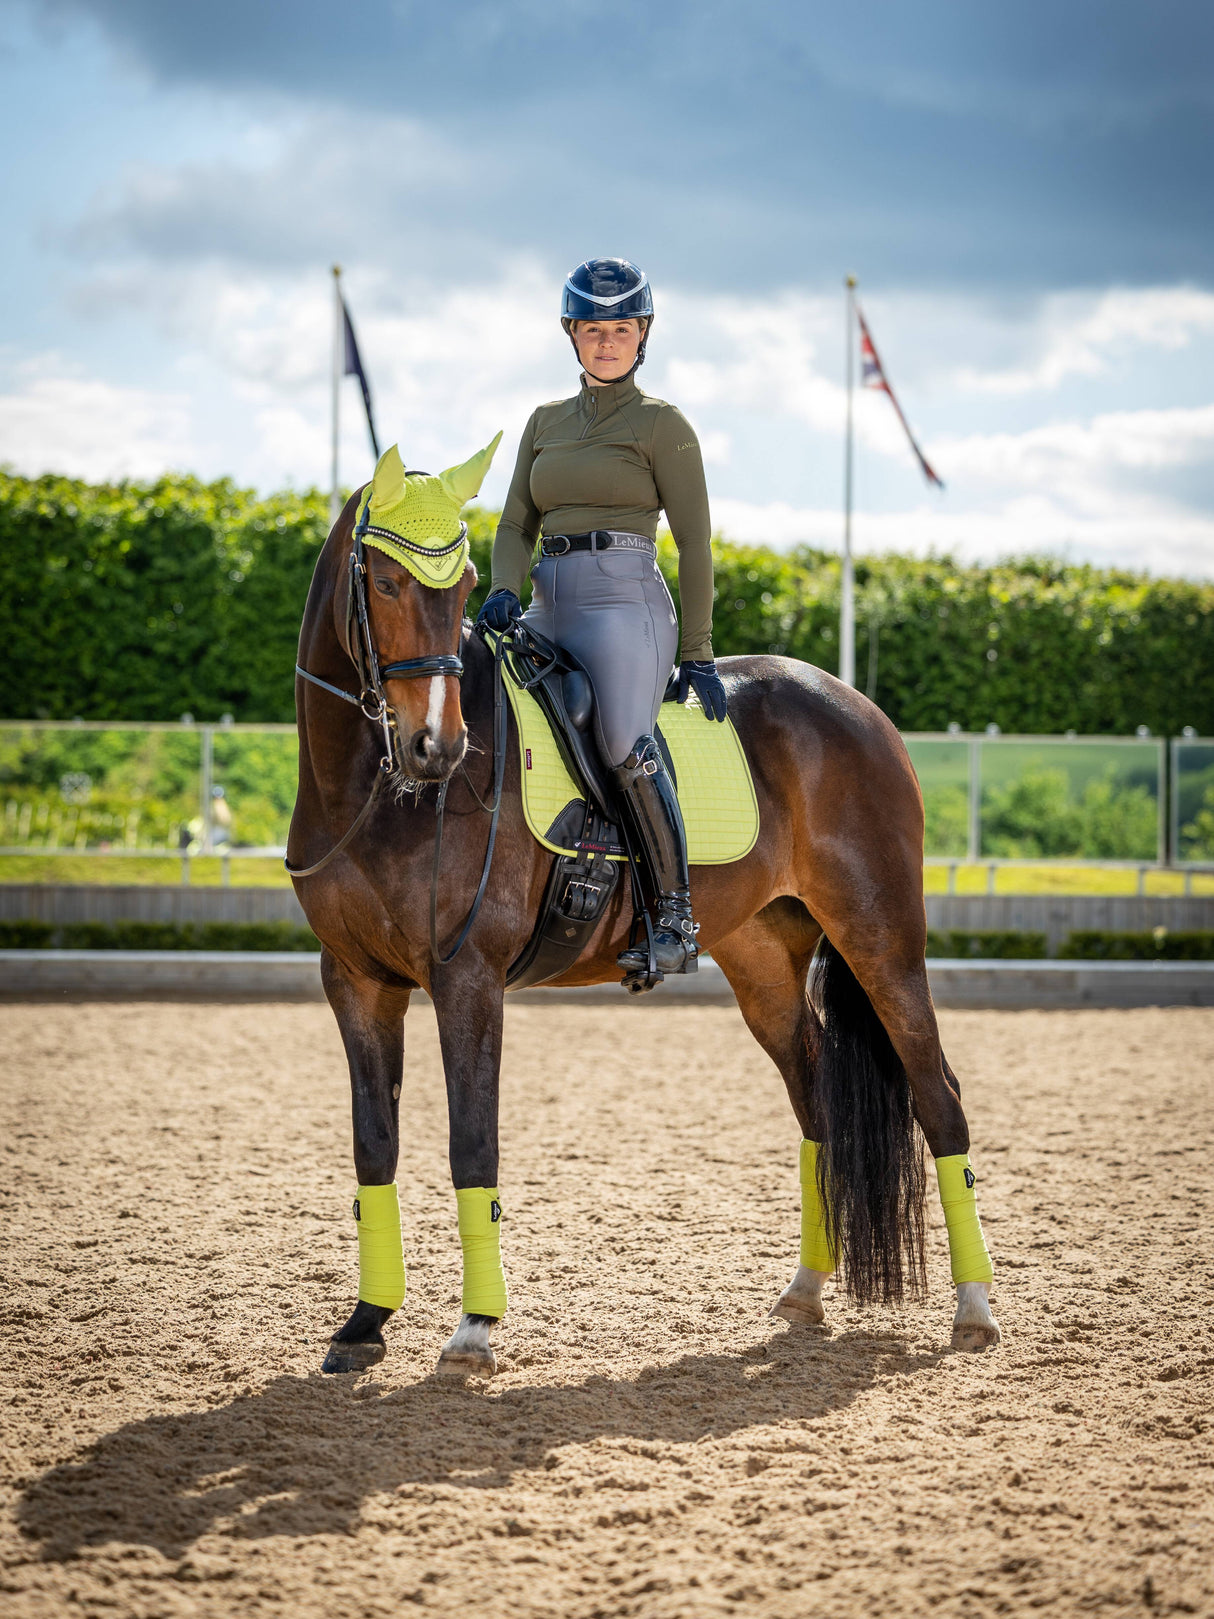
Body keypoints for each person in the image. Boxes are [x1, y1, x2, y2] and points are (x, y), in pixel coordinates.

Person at [476, 258, 726, 978]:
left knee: (622, 738)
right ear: (572, 335)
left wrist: (702, 650)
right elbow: (516, 524)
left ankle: (675, 917)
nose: (607, 341)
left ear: (642, 334)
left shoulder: (662, 424)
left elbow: (696, 539)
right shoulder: (543, 422)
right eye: (593, 329)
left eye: (621, 328)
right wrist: (502, 587)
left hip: (625, 605)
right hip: (547, 604)